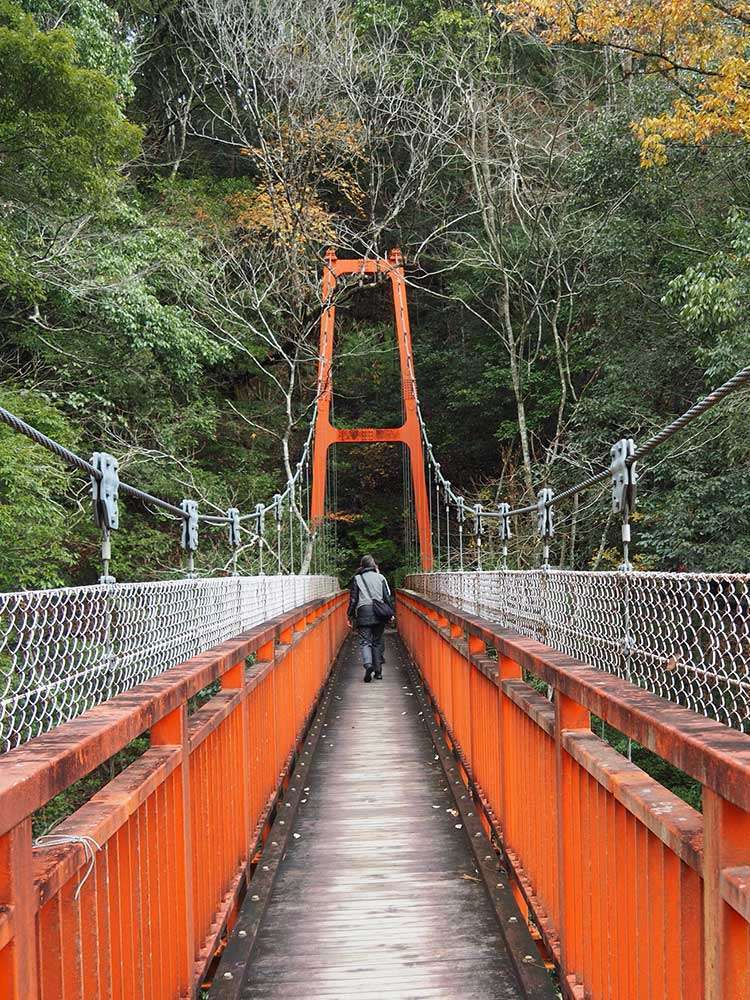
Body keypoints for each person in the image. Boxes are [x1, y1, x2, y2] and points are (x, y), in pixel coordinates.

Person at [347, 554, 394, 683]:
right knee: (377, 642)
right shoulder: (381, 577)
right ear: (373, 565)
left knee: (365, 641)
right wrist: (391, 613)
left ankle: (368, 665)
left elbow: (354, 599)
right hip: (379, 613)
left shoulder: (357, 578)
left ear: (362, 565)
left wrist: (350, 615)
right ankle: (378, 673)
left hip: (363, 612)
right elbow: (387, 597)